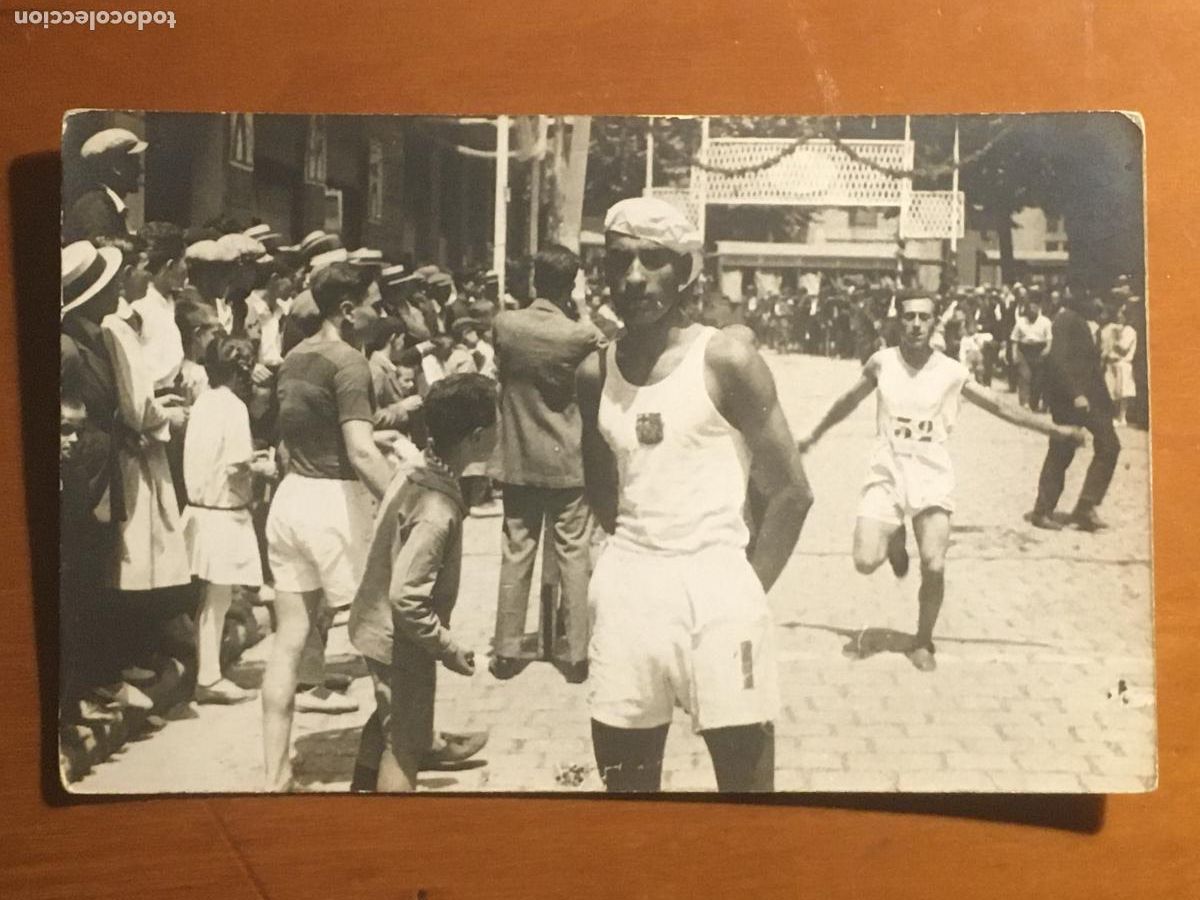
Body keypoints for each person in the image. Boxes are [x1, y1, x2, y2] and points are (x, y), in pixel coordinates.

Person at [578, 198, 814, 792]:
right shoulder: (594, 371)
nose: (634, 278)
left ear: (686, 271)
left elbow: (790, 492)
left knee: (746, 799)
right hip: (630, 592)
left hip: (717, 586)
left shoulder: (726, 360)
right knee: (628, 799)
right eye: (620, 261)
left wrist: (740, 590)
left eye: (654, 260)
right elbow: (603, 491)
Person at [798, 293, 1083, 672]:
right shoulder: (882, 363)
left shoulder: (951, 371)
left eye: (924, 318)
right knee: (866, 561)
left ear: (935, 324)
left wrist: (1056, 429)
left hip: (931, 475)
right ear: (899, 320)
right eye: (910, 316)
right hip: (887, 472)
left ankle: (922, 640)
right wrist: (814, 434)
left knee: (933, 564)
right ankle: (895, 537)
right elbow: (847, 401)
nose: (916, 324)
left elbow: (1001, 407)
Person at [261, 262, 394, 791]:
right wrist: (404, 500)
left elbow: (297, 436)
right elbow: (360, 451)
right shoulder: (351, 362)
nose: (379, 312)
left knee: (288, 641)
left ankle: (274, 778)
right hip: (335, 504)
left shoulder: (294, 358)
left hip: (290, 499)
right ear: (347, 309)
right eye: (374, 303)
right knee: (381, 639)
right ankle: (404, 750)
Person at [348, 374, 498, 792]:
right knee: (406, 746)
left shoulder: (418, 469)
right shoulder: (439, 507)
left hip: (378, 629)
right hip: (400, 640)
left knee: (388, 721)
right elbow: (407, 598)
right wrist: (447, 647)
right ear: (478, 436)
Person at [488, 245, 605, 683]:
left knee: (516, 550)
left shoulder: (506, 325)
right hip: (567, 458)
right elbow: (599, 344)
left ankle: (506, 649)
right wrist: (582, 310)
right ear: (571, 284)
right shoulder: (580, 335)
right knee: (574, 553)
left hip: (518, 456)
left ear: (535, 280)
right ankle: (574, 653)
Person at [182, 335, 275, 704]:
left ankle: (209, 671)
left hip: (203, 509)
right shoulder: (234, 407)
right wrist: (265, 468)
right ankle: (208, 677)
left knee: (212, 600)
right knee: (217, 600)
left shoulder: (204, 401)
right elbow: (238, 467)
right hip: (222, 513)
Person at [1031, 289, 1122, 531]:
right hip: (1071, 401)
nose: (1099, 302)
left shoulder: (1085, 323)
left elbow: (1091, 368)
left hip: (1091, 401)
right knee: (1061, 451)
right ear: (1081, 298)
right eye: (1094, 298)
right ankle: (1042, 511)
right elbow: (1057, 362)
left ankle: (1085, 507)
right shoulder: (1066, 320)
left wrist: (1105, 403)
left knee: (1109, 445)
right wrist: (1076, 395)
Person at [63, 128, 147, 245]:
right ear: (117, 168)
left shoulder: (106, 203)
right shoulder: (96, 207)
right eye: (134, 163)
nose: (140, 170)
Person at [1010, 296, 1053, 411]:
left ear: (1039, 308)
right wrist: (1014, 353)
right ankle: (1024, 402)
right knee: (1025, 375)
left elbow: (1049, 338)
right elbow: (1014, 339)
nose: (1032, 310)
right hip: (1024, 350)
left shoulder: (1045, 322)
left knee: (1038, 379)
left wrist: (1048, 349)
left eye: (1035, 308)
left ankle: (1033, 403)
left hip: (1039, 350)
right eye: (1030, 308)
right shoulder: (1021, 322)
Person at [1100, 304, 1138, 426]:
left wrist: (1114, 339)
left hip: (1122, 363)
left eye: (1121, 314)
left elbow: (1123, 348)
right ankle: (1114, 415)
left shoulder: (1129, 330)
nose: (1118, 315)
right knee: (1113, 390)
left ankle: (1122, 417)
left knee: (1122, 392)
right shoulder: (1119, 328)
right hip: (1112, 363)